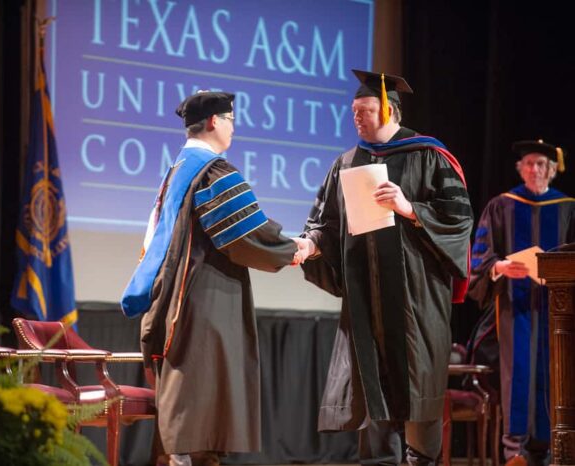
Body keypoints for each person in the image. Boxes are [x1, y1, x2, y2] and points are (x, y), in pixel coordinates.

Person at [293, 70, 473, 466]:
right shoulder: (346, 162)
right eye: (354, 110)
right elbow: (326, 223)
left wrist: (409, 209)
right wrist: (310, 244)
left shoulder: (428, 155)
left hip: (417, 299)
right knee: (370, 383)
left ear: (390, 110)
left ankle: (420, 458)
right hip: (365, 297)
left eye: (366, 110)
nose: (357, 117)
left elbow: (459, 219)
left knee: (416, 379)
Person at [121, 91, 297, 466]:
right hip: (203, 297)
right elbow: (242, 235)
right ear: (215, 121)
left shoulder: (177, 170)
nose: (234, 128)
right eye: (231, 120)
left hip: (175, 296)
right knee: (199, 394)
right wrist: (292, 248)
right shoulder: (212, 170)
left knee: (191, 392)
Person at [468, 139, 574, 466]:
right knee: (518, 375)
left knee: (555, 374)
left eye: (541, 164)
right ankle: (515, 451)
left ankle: (554, 450)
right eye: (528, 163)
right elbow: (480, 257)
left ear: (552, 170)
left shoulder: (568, 207)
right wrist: (499, 268)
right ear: (520, 168)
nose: (534, 170)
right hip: (516, 309)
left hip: (560, 312)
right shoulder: (502, 205)